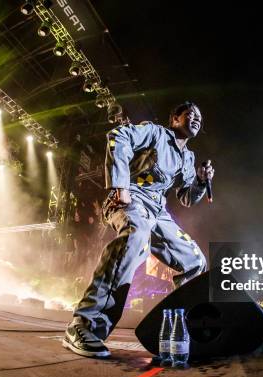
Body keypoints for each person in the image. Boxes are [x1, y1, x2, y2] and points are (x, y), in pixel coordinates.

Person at [63, 102, 215, 358]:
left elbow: (186, 198)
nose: (197, 118)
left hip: (157, 211)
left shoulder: (188, 158)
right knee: (136, 238)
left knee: (195, 261)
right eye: (191, 114)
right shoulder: (154, 133)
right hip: (131, 197)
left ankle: (182, 327)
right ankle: (85, 325)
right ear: (175, 118)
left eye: (200, 116)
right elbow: (117, 136)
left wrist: (200, 181)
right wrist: (120, 184)